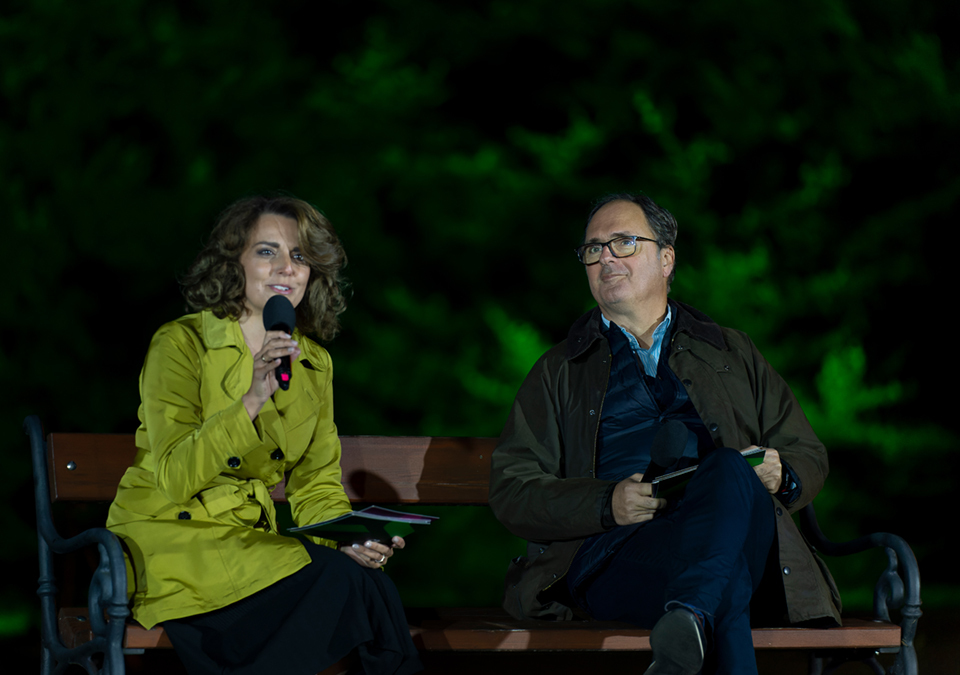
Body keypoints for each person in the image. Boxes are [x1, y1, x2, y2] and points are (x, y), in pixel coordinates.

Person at [488, 193, 841, 675]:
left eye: (623, 243)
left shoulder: (731, 352)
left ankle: (690, 614)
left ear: (666, 257)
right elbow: (513, 489)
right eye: (593, 249)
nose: (605, 256)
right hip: (618, 552)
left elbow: (806, 450)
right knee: (722, 579)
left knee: (728, 468)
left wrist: (783, 474)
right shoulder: (558, 372)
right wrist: (606, 503)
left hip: (741, 528)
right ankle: (690, 615)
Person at [107, 194, 422, 675]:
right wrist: (250, 401)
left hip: (250, 550)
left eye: (299, 256)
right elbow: (173, 476)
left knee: (363, 577)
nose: (286, 267)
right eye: (267, 251)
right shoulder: (181, 343)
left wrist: (354, 538)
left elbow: (316, 485)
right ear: (233, 261)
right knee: (349, 587)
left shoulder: (313, 364)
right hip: (174, 542)